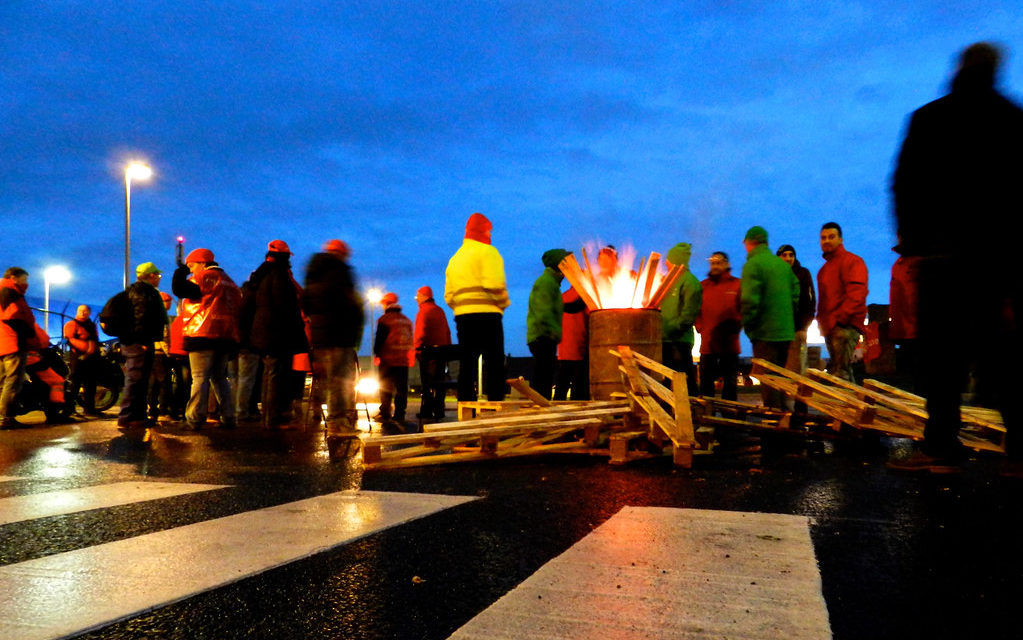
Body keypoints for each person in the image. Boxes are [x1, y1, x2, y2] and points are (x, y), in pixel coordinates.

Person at [888, 42, 1023, 473]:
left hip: (944, 257)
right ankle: (1020, 452)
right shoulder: (1012, 119)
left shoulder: (932, 118)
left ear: (960, 69)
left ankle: (941, 445)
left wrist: (912, 241)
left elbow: (905, 185)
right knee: (1000, 356)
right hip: (997, 260)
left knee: (942, 358)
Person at [241, 240, 308, 429]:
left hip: (263, 333)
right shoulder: (279, 275)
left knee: (270, 374)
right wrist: (298, 331)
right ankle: (273, 419)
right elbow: (286, 306)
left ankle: (270, 417)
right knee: (276, 375)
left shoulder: (259, 276)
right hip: (277, 333)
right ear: (285, 257)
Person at [172, 248, 242, 430]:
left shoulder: (202, 278)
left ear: (203, 263)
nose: (191, 270)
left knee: (199, 377)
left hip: (202, 334)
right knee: (220, 378)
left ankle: (194, 418)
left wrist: (180, 272)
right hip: (225, 337)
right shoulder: (230, 283)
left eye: (192, 266)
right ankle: (229, 416)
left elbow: (179, 289)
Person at [444, 213, 510, 401]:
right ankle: (495, 403)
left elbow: (448, 296)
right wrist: (504, 303)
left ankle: (465, 404)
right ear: (485, 230)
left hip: (463, 317)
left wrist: (460, 307)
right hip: (488, 315)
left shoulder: (455, 259)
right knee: (494, 362)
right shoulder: (489, 252)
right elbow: (495, 285)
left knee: (468, 363)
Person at [303, 239, 364, 436]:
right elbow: (349, 303)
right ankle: (338, 422)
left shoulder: (313, 276)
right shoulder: (338, 273)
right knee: (340, 380)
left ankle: (333, 418)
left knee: (329, 379)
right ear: (340, 253)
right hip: (340, 333)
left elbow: (306, 304)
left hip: (322, 335)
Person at [740, 227, 799, 410]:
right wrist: (787, 318)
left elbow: (749, 301)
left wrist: (750, 328)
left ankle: (774, 430)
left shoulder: (753, 265)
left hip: (765, 334)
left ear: (750, 243)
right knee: (780, 381)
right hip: (785, 333)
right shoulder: (782, 266)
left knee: (768, 383)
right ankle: (785, 420)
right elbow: (796, 293)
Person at [117, 262, 168, 430]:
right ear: (151, 276)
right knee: (135, 380)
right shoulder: (143, 292)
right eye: (158, 276)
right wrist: (142, 341)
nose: (159, 279)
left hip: (137, 341)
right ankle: (126, 417)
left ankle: (137, 417)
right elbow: (141, 317)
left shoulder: (135, 291)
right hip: (139, 342)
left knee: (140, 381)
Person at [816, 222, 868, 382]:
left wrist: (841, 320)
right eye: (823, 238)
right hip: (832, 327)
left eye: (831, 237)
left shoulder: (852, 261)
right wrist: (823, 323)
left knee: (840, 373)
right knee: (841, 372)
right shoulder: (824, 270)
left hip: (844, 326)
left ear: (841, 240)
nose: (826, 241)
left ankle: (845, 406)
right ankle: (853, 406)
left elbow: (857, 293)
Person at [695, 252, 741, 401]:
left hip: (730, 344)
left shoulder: (737, 285)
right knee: (706, 382)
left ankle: (729, 416)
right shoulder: (703, 286)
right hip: (708, 344)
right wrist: (700, 327)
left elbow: (745, 308)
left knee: (730, 383)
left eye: (719, 263)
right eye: (713, 263)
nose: (715, 266)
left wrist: (737, 326)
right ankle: (708, 416)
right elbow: (695, 310)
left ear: (727, 264)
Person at [777, 244, 816, 416]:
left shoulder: (803, 273)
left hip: (797, 330)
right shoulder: (776, 275)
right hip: (780, 332)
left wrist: (804, 325)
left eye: (791, 254)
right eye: (784, 255)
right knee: (783, 373)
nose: (788, 258)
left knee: (799, 372)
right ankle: (785, 412)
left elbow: (810, 300)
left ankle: (801, 413)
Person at [526, 249, 569, 400]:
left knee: (544, 373)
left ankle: (540, 405)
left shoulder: (552, 283)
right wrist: (554, 332)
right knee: (543, 374)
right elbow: (543, 311)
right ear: (559, 264)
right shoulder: (546, 283)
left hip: (544, 335)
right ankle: (539, 406)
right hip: (542, 336)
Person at [660, 243, 701, 397]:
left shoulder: (690, 282)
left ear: (676, 260)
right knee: (663, 381)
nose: (665, 262)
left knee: (683, 379)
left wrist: (670, 329)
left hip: (679, 341)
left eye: (669, 259)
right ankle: (666, 414)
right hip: (664, 340)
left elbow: (688, 315)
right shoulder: (667, 280)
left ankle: (691, 411)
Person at [1, 267, 37, 429]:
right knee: (13, 381)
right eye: (24, 279)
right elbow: (14, 316)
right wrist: (29, 333)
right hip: (13, 342)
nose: (26, 283)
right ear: (14, 278)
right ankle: (8, 417)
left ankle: (6, 416)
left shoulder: (6, 291)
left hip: (4, 341)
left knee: (4, 381)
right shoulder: (9, 292)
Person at [374, 292, 414, 424]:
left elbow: (380, 339)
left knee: (385, 387)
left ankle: (385, 413)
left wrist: (377, 353)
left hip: (388, 358)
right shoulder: (406, 320)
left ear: (386, 304)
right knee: (401, 388)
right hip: (403, 359)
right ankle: (399, 414)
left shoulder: (384, 320)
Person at [413, 285, 451, 420]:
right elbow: (447, 331)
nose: (416, 299)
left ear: (424, 296)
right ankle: (439, 410)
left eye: (417, 296)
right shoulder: (440, 311)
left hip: (428, 354)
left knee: (427, 384)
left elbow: (420, 333)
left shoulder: (423, 311)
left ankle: (427, 410)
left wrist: (416, 349)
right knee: (440, 383)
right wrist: (447, 350)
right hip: (442, 353)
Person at [64, 304, 102, 416]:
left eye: (85, 311)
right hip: (77, 357)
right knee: (75, 383)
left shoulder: (91, 325)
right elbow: (70, 339)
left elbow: (94, 339)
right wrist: (87, 350)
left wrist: (91, 351)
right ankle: (70, 408)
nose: (83, 313)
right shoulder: (71, 324)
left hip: (91, 358)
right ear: (77, 311)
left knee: (90, 384)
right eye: (80, 310)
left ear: (89, 313)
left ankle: (89, 409)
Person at [554, 286, 589, 401]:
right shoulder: (585, 297)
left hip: (563, 348)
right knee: (579, 384)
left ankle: (557, 410)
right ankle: (578, 410)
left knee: (562, 383)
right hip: (578, 346)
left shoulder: (563, 296)